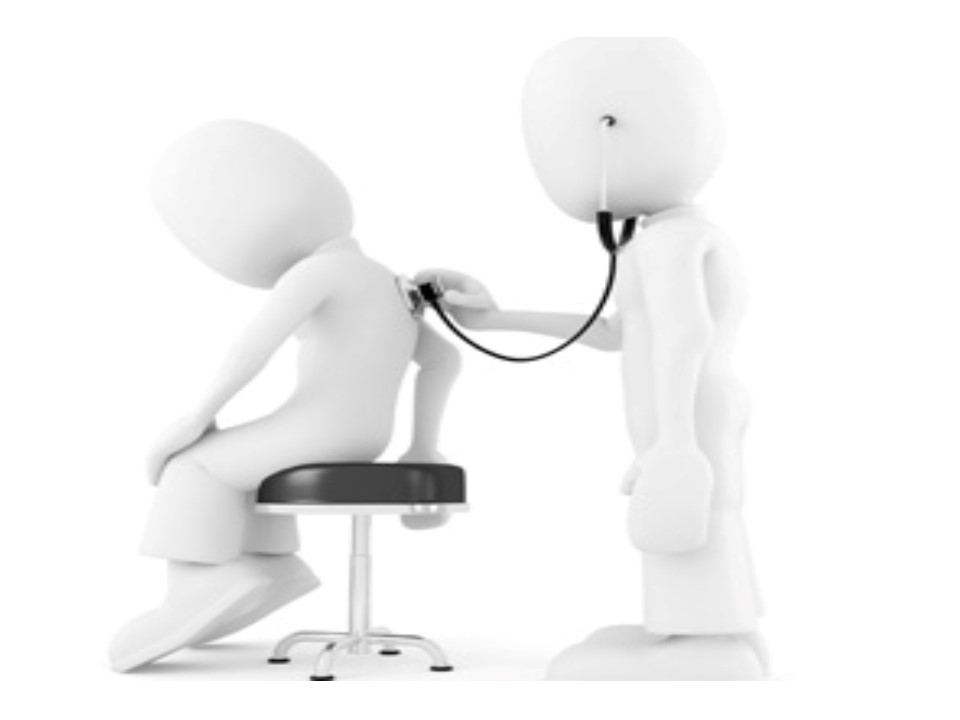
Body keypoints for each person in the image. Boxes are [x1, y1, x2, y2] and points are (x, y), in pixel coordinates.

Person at [422, 38, 767, 680]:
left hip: (687, 410)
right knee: (709, 514)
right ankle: (718, 630)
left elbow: (685, 333)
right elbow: (613, 332)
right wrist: (495, 319)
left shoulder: (668, 243)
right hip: (699, 403)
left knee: (688, 515)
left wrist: (673, 442)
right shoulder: (679, 234)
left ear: (608, 130)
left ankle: (707, 646)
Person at [110, 120, 460, 673]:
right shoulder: (388, 279)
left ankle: (196, 587)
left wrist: (196, 417)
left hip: (318, 429)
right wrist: (422, 445)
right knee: (243, 465)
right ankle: (268, 564)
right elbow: (443, 359)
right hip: (366, 437)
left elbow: (251, 348)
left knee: (194, 466)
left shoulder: (318, 272)